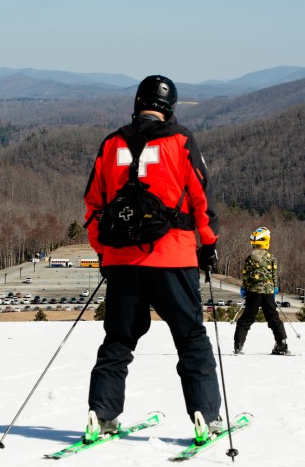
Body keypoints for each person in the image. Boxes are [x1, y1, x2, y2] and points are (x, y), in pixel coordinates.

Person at [83, 75, 223, 444]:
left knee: (117, 339)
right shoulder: (180, 140)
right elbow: (201, 197)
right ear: (170, 106)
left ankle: (102, 413)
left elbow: (93, 205)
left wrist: (103, 250)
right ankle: (205, 416)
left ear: (138, 101)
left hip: (122, 262)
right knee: (191, 337)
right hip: (173, 257)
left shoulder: (112, 143)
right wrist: (208, 244)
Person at [233, 227, 289, 355]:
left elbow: (246, 277)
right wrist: (274, 288)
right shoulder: (272, 258)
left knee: (246, 318)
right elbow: (274, 276)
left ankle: (238, 344)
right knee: (273, 318)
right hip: (268, 292)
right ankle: (282, 344)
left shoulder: (249, 259)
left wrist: (245, 289)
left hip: (253, 292)